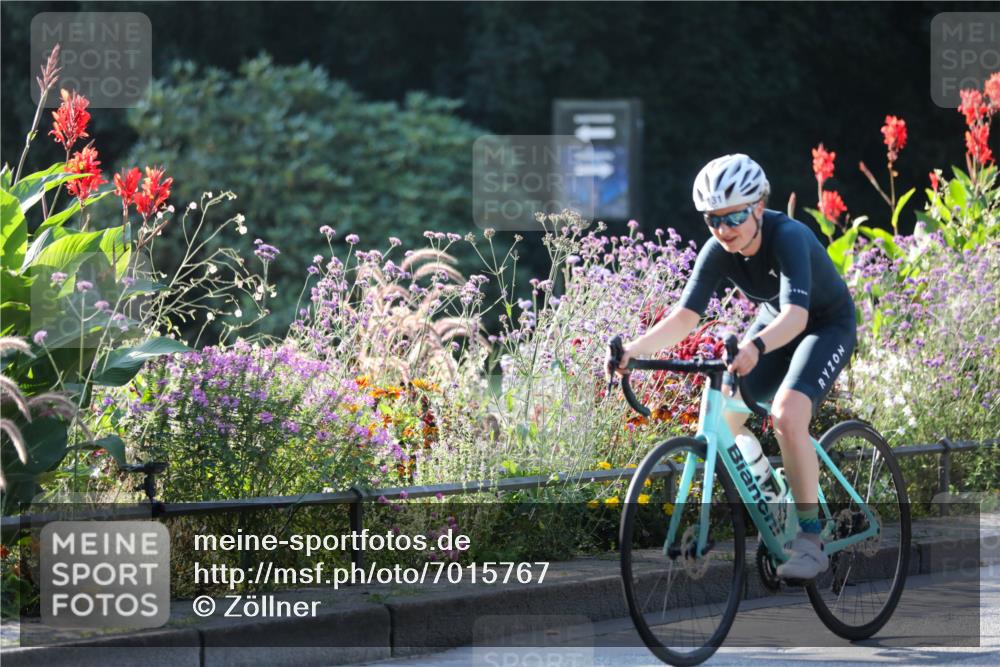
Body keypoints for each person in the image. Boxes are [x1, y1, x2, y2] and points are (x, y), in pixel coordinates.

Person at [607, 154, 856, 581]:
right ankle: (774, 501)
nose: (724, 230)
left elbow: (797, 316)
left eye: (734, 216)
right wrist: (632, 349)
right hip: (773, 322)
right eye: (712, 220)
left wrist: (755, 346)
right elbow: (686, 317)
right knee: (725, 411)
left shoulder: (788, 236)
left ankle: (811, 540)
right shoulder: (718, 250)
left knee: (787, 414)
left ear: (759, 206)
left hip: (823, 323)